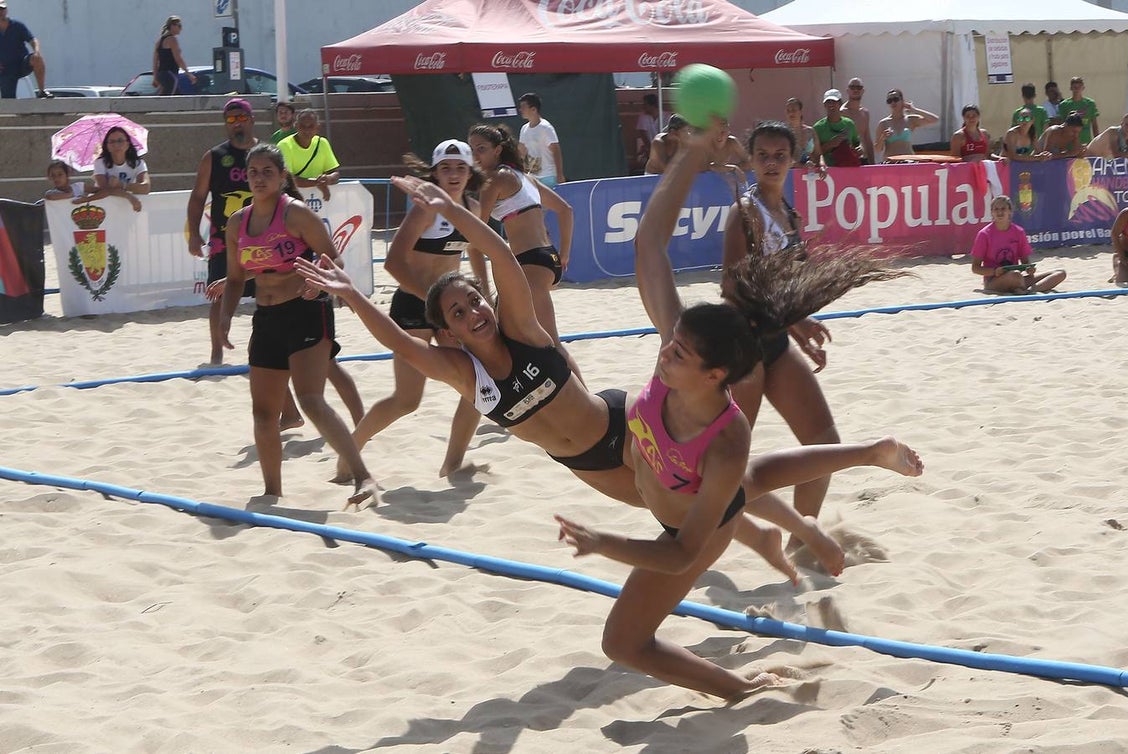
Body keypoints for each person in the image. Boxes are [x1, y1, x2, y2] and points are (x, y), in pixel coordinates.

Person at [296, 173, 922, 583]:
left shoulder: (522, 328)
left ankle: (802, 523)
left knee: (705, 493)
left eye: (474, 301)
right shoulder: (464, 372)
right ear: (452, 332)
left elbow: (503, 258)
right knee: (685, 513)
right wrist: (352, 294)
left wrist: (455, 211)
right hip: (589, 464)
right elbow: (397, 340)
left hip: (621, 425)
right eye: (459, 313)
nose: (474, 311)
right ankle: (771, 535)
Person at [553, 123, 921, 700]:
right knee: (751, 478)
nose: (664, 353)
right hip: (660, 469)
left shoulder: (726, 436)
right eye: (670, 344)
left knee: (629, 635)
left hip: (688, 525)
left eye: (678, 353)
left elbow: (680, 552)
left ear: (714, 375)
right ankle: (861, 465)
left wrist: (603, 543)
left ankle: (741, 688)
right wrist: (693, 153)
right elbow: (649, 243)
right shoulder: (683, 356)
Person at [723, 119, 889, 526]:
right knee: (727, 459)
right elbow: (732, 287)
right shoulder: (745, 213)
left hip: (776, 340)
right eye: (762, 155)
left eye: (780, 155)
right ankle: (685, 534)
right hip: (744, 343)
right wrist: (794, 322)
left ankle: (803, 537)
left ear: (794, 159)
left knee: (824, 445)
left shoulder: (790, 215)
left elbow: (785, 287)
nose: (771, 163)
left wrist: (799, 322)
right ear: (750, 159)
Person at [218, 143, 381, 509]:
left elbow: (333, 257)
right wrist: (225, 317)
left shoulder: (296, 215)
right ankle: (271, 491)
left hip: (307, 309)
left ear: (281, 178)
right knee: (263, 414)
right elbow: (234, 278)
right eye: (254, 172)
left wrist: (317, 281)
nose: (259, 178)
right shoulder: (236, 223)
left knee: (311, 400)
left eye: (267, 172)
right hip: (267, 317)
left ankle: (363, 475)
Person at [337, 139, 488, 481]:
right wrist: (434, 300)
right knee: (407, 400)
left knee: (480, 386)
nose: (453, 175)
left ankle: (453, 463)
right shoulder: (426, 208)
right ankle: (348, 455)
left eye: (460, 168)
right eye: (446, 168)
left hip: (451, 307)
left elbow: (477, 253)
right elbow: (393, 262)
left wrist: (485, 300)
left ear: (470, 172)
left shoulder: (472, 208)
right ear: (434, 173)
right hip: (414, 304)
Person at [467, 123, 580, 384]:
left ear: (497, 150)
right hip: (545, 260)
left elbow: (478, 233)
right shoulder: (523, 177)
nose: (475, 156)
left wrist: (483, 285)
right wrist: (563, 255)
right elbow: (566, 211)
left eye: (481, 149)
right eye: (471, 149)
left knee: (550, 343)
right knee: (516, 336)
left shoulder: (496, 178)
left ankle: (589, 403)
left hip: (530, 263)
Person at [188, 98, 262, 365]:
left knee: (265, 295)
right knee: (219, 295)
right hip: (224, 239)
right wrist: (195, 234)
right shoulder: (214, 157)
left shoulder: (266, 154)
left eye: (241, 117)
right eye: (230, 119)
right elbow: (197, 197)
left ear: (252, 119)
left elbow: (286, 195)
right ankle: (216, 352)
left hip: (262, 237)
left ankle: (259, 350)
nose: (237, 123)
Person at [971, 195, 1066, 294]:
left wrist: (1029, 269)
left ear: (1010, 212)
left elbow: (1025, 262)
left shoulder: (1018, 232)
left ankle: (1029, 291)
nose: (999, 212)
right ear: (992, 213)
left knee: (1060, 273)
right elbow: (975, 268)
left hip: (1017, 277)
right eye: (996, 209)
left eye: (1003, 209)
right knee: (1015, 276)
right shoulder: (984, 234)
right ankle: (1023, 289)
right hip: (994, 281)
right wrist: (994, 271)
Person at [278, 108, 340, 202]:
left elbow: (335, 173)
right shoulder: (284, 145)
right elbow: (288, 179)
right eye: (303, 126)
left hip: (320, 201)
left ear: (317, 127)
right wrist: (317, 183)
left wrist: (328, 179)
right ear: (296, 126)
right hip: (292, 202)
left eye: (311, 126)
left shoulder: (322, 143)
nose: (307, 130)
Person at [83, 127, 150, 212]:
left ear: (127, 144)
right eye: (111, 142)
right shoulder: (100, 163)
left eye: (120, 141)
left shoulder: (139, 163)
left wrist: (121, 185)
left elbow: (145, 187)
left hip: (127, 208)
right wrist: (129, 196)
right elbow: (104, 189)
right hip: (103, 208)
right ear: (107, 146)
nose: (116, 145)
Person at [0, 1, 51, 99]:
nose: (0, 12)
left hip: (22, 64)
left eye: (3, 9)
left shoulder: (17, 25)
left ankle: (42, 91)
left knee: (36, 59)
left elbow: (33, 40)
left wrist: (37, 52)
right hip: (5, 70)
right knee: (8, 101)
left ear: (6, 10)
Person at [874, 89, 938, 160]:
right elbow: (877, 150)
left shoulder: (911, 120)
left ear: (902, 101)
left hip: (908, 161)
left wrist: (914, 110)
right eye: (889, 101)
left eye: (895, 99)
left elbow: (934, 119)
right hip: (890, 163)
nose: (893, 102)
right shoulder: (883, 123)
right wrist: (882, 138)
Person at [517, 92, 564, 186]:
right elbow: (522, 152)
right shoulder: (524, 129)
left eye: (523, 107)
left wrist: (559, 175)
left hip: (548, 177)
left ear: (533, 109)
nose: (520, 110)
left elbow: (556, 151)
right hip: (532, 178)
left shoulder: (546, 128)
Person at [813, 89, 862, 168]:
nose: (831, 104)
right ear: (824, 105)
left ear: (840, 103)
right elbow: (814, 155)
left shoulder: (849, 124)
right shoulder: (817, 128)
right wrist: (831, 144)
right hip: (827, 173)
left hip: (848, 170)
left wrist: (859, 149)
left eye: (834, 101)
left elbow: (857, 143)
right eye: (828, 102)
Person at [152, 15, 195, 96]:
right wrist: (188, 74)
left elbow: (155, 62)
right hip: (170, 75)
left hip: (162, 74)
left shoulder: (159, 41)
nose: (181, 28)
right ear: (172, 26)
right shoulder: (172, 39)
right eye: (179, 26)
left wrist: (155, 78)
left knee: (177, 101)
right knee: (168, 101)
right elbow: (178, 59)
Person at [1058, 77, 1099, 146]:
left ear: (1083, 88)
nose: (1077, 89)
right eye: (1074, 87)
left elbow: (1094, 124)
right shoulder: (1064, 105)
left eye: (1079, 87)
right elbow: (1061, 126)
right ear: (1071, 88)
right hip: (1069, 143)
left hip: (1086, 141)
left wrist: (1097, 143)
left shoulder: (1090, 103)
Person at [842, 78, 874, 165]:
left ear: (863, 91)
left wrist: (873, 164)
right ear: (847, 90)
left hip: (864, 160)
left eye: (858, 87)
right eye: (852, 87)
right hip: (847, 161)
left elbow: (867, 140)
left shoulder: (865, 113)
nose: (855, 90)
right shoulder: (842, 112)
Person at [783, 98, 820, 165]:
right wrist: (801, 166)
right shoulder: (784, 133)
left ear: (800, 112)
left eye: (794, 110)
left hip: (809, 172)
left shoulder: (811, 131)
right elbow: (782, 158)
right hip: (790, 174)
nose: (791, 113)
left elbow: (818, 154)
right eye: (788, 111)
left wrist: (822, 165)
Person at [634, 93, 661, 170]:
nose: (643, 107)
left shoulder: (667, 116)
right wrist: (651, 151)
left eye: (645, 104)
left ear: (652, 105)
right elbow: (644, 136)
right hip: (650, 151)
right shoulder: (643, 117)